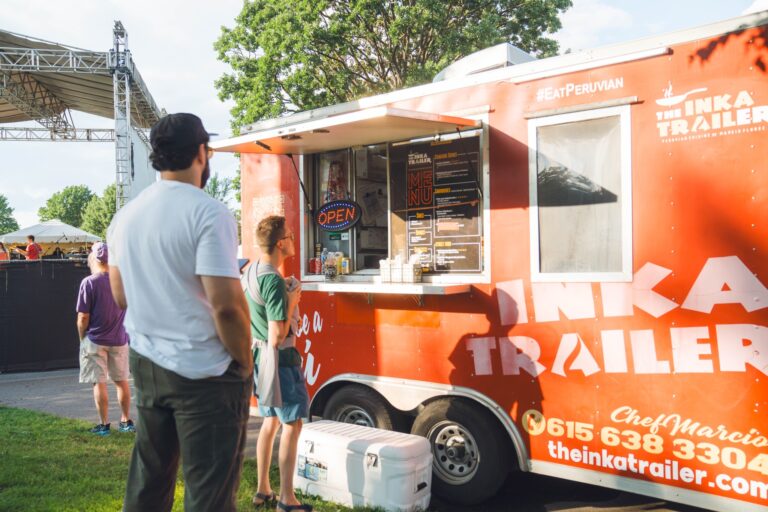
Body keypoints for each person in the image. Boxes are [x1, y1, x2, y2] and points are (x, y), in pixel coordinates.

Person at [107, 113, 253, 512]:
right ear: (202, 153)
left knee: (148, 484)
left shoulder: (125, 217)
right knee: (209, 493)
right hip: (205, 372)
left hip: (147, 365)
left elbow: (120, 296)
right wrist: (245, 362)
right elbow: (225, 307)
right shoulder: (209, 213)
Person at [244, 215, 310, 512]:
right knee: (292, 424)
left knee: (270, 421)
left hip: (258, 358)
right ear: (281, 244)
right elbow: (276, 335)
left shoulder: (251, 272)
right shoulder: (272, 280)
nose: (294, 239)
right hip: (279, 359)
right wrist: (292, 301)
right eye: (291, 236)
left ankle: (263, 490)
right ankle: (287, 497)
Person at [76, 242, 134, 436]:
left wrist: (82, 338)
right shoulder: (123, 281)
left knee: (98, 382)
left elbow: (83, 317)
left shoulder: (89, 282)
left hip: (95, 340)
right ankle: (126, 421)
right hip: (119, 339)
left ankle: (103, 426)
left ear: (95, 258)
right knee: (122, 381)